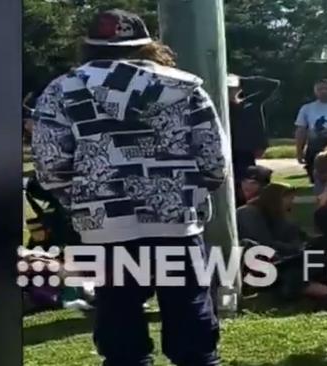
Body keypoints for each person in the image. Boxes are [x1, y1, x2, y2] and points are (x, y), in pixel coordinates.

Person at [31, 9, 227, 366]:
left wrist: (79, 203)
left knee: (118, 314)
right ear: (147, 45)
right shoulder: (186, 87)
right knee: (189, 311)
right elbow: (214, 159)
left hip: (103, 224)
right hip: (176, 219)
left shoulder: (62, 90)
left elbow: (51, 165)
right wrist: (195, 194)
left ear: (89, 47)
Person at [228, 73, 280, 181]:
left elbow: (273, 84)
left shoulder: (251, 103)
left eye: (233, 89)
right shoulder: (223, 107)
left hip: (246, 150)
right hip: (229, 148)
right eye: (228, 89)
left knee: (247, 178)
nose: (231, 91)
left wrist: (241, 80)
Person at [236, 183, 306, 258]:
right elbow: (263, 244)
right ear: (277, 198)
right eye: (291, 198)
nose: (291, 204)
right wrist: (297, 248)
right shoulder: (248, 213)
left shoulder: (273, 216)